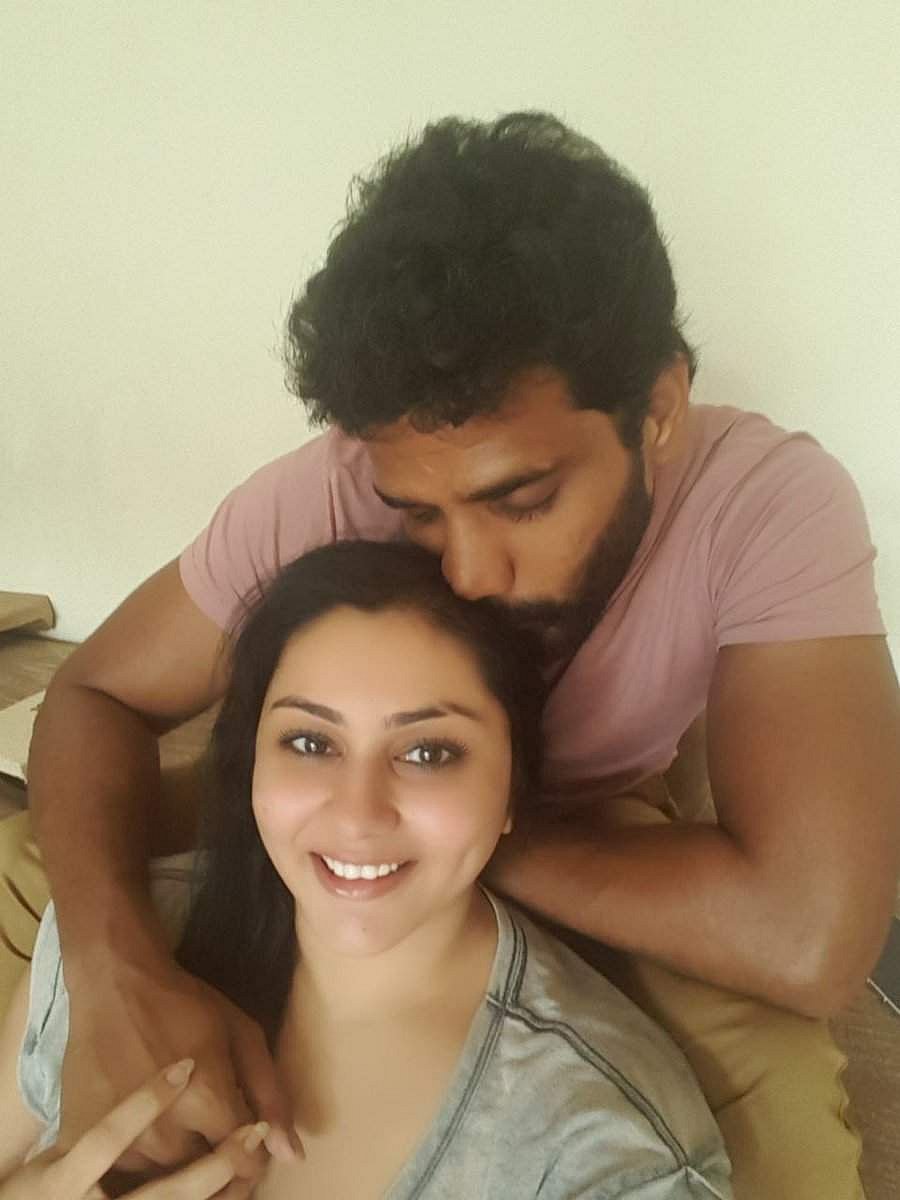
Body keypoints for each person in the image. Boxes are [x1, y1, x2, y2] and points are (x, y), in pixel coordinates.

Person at [2, 110, 897, 1198]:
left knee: (786, 1135)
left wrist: (451, 836)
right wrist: (112, 967)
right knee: (42, 879)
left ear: (659, 410)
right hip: (359, 777)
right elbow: (93, 694)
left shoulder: (767, 501)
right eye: (416, 513)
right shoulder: (328, 490)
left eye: (522, 499)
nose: (468, 572)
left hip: (591, 820)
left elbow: (807, 937)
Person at [2, 541, 732, 1199]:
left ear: (513, 790)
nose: (358, 814)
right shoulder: (101, 952)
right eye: (310, 743)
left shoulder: (608, 1152)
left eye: (429, 753)